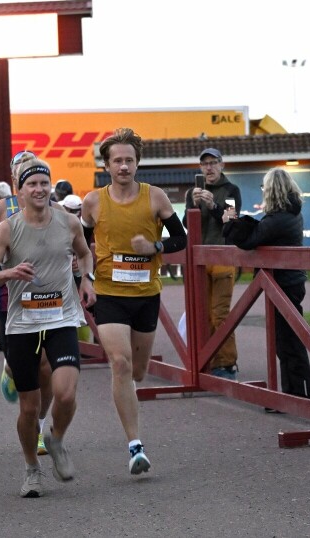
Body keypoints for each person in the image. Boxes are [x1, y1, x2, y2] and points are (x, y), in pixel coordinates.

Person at [0, 157, 95, 497]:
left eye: (45, 183)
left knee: (66, 392)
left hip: (62, 318)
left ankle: (55, 438)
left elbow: (85, 254)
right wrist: (9, 274)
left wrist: (86, 279)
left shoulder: (69, 223)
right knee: (28, 407)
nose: (40, 189)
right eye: (32, 184)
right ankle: (31, 468)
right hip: (23, 324)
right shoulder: (8, 227)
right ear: (20, 191)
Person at [80, 128, 187, 475]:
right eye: (117, 161)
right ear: (107, 165)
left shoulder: (155, 198)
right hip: (109, 293)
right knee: (121, 364)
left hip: (146, 293)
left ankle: (130, 402)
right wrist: (84, 276)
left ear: (137, 163)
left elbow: (180, 241)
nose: (123, 166)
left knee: (138, 371)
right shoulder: (93, 202)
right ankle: (135, 445)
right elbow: (81, 247)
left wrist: (154, 247)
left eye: (129, 160)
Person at [222, 167, 310, 402]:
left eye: (264, 187)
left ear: (272, 190)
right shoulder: (289, 213)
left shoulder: (280, 218)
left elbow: (250, 239)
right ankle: (296, 391)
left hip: (284, 283)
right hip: (289, 282)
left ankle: (297, 393)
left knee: (287, 340)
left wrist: (230, 217)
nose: (263, 191)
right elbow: (258, 232)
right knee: (287, 338)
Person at [185, 148, 242, 379]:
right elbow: (185, 223)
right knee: (203, 314)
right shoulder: (193, 192)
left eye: (213, 162)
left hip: (223, 259)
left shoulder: (230, 190)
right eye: (204, 164)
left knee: (220, 314)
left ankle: (227, 364)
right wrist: (195, 206)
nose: (208, 167)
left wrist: (213, 207)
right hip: (199, 261)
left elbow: (231, 222)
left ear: (222, 165)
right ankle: (209, 360)